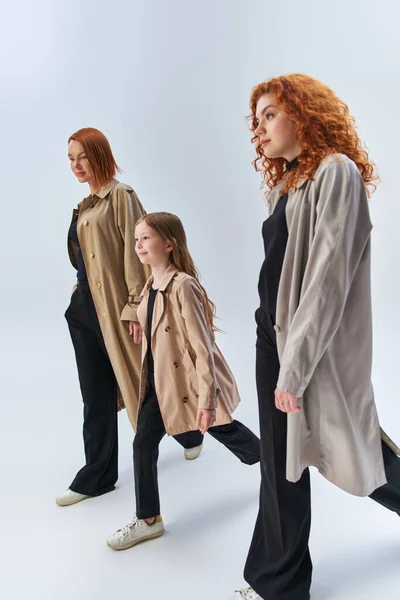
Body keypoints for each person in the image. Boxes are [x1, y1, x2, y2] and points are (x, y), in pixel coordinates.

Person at [232, 74, 400, 600]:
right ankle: (277, 583)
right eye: (255, 120)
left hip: (310, 349)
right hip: (272, 338)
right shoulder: (288, 182)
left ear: (302, 114)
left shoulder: (337, 173)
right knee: (282, 463)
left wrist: (295, 367)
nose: (259, 130)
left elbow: (328, 278)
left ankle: (277, 584)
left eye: (269, 115)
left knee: (355, 444)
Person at [56, 129, 204, 508]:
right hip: (84, 311)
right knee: (95, 396)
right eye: (70, 158)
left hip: (118, 313)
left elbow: (138, 252)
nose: (75, 165)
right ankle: (98, 476)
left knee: (150, 386)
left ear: (99, 155)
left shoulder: (120, 196)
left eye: (82, 157)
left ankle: (193, 432)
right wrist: (79, 295)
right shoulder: (86, 204)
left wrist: (136, 307)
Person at [106, 212, 261, 550]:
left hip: (188, 385)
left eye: (146, 238)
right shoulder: (150, 285)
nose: (138, 245)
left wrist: (206, 400)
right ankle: (149, 519)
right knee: (143, 443)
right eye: (136, 239)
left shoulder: (183, 286)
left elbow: (202, 347)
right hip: (160, 384)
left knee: (225, 430)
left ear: (168, 244)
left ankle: (274, 466)